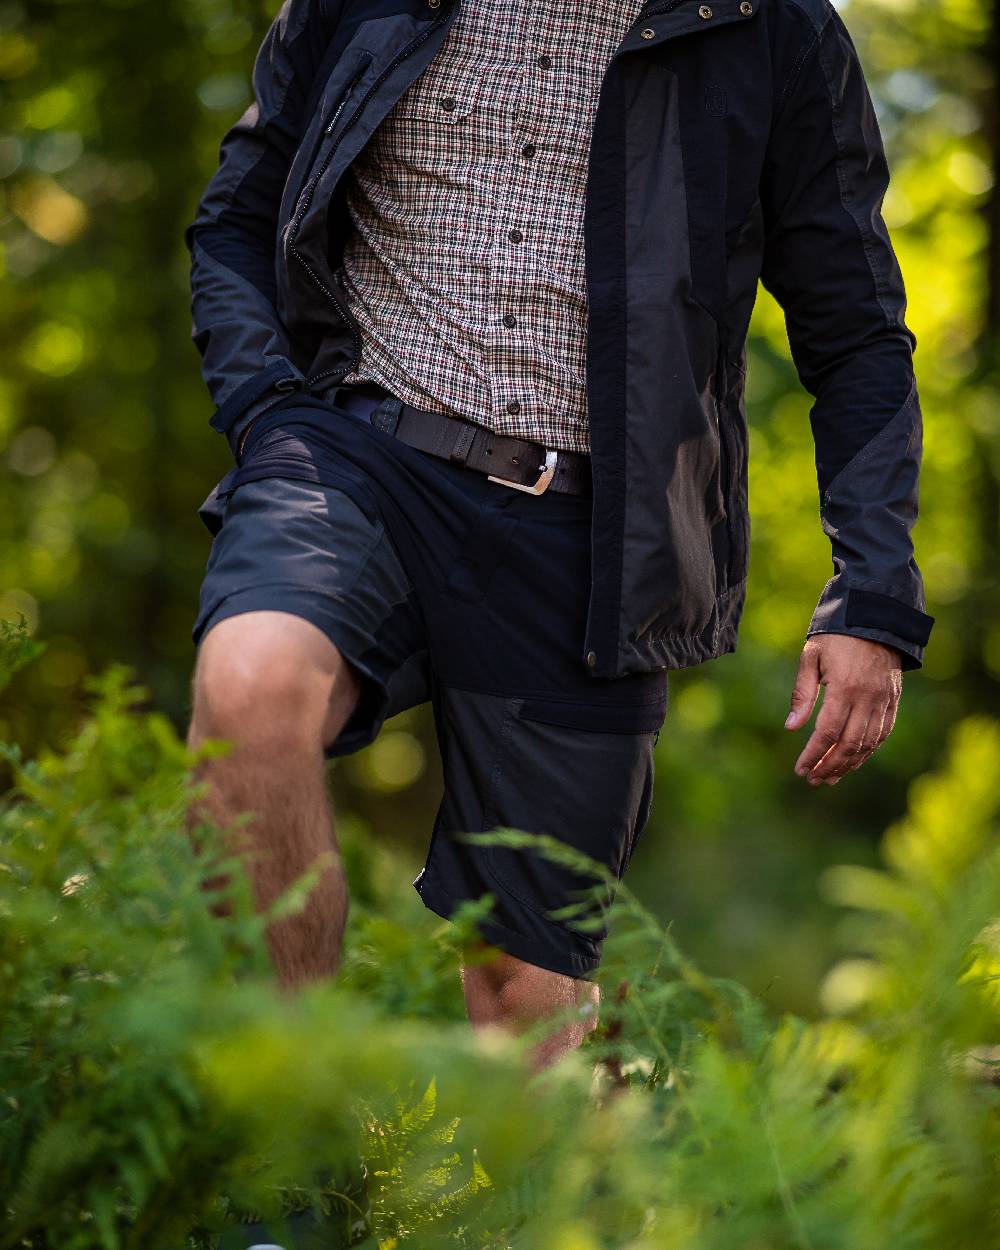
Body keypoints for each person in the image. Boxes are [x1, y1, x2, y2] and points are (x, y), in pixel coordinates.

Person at [183, 0, 934, 1073]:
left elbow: (854, 332)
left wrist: (872, 590)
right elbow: (239, 218)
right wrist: (263, 410)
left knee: (525, 998)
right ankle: (276, 1176)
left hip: (592, 545)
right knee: (249, 683)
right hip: (359, 455)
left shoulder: (771, 31)